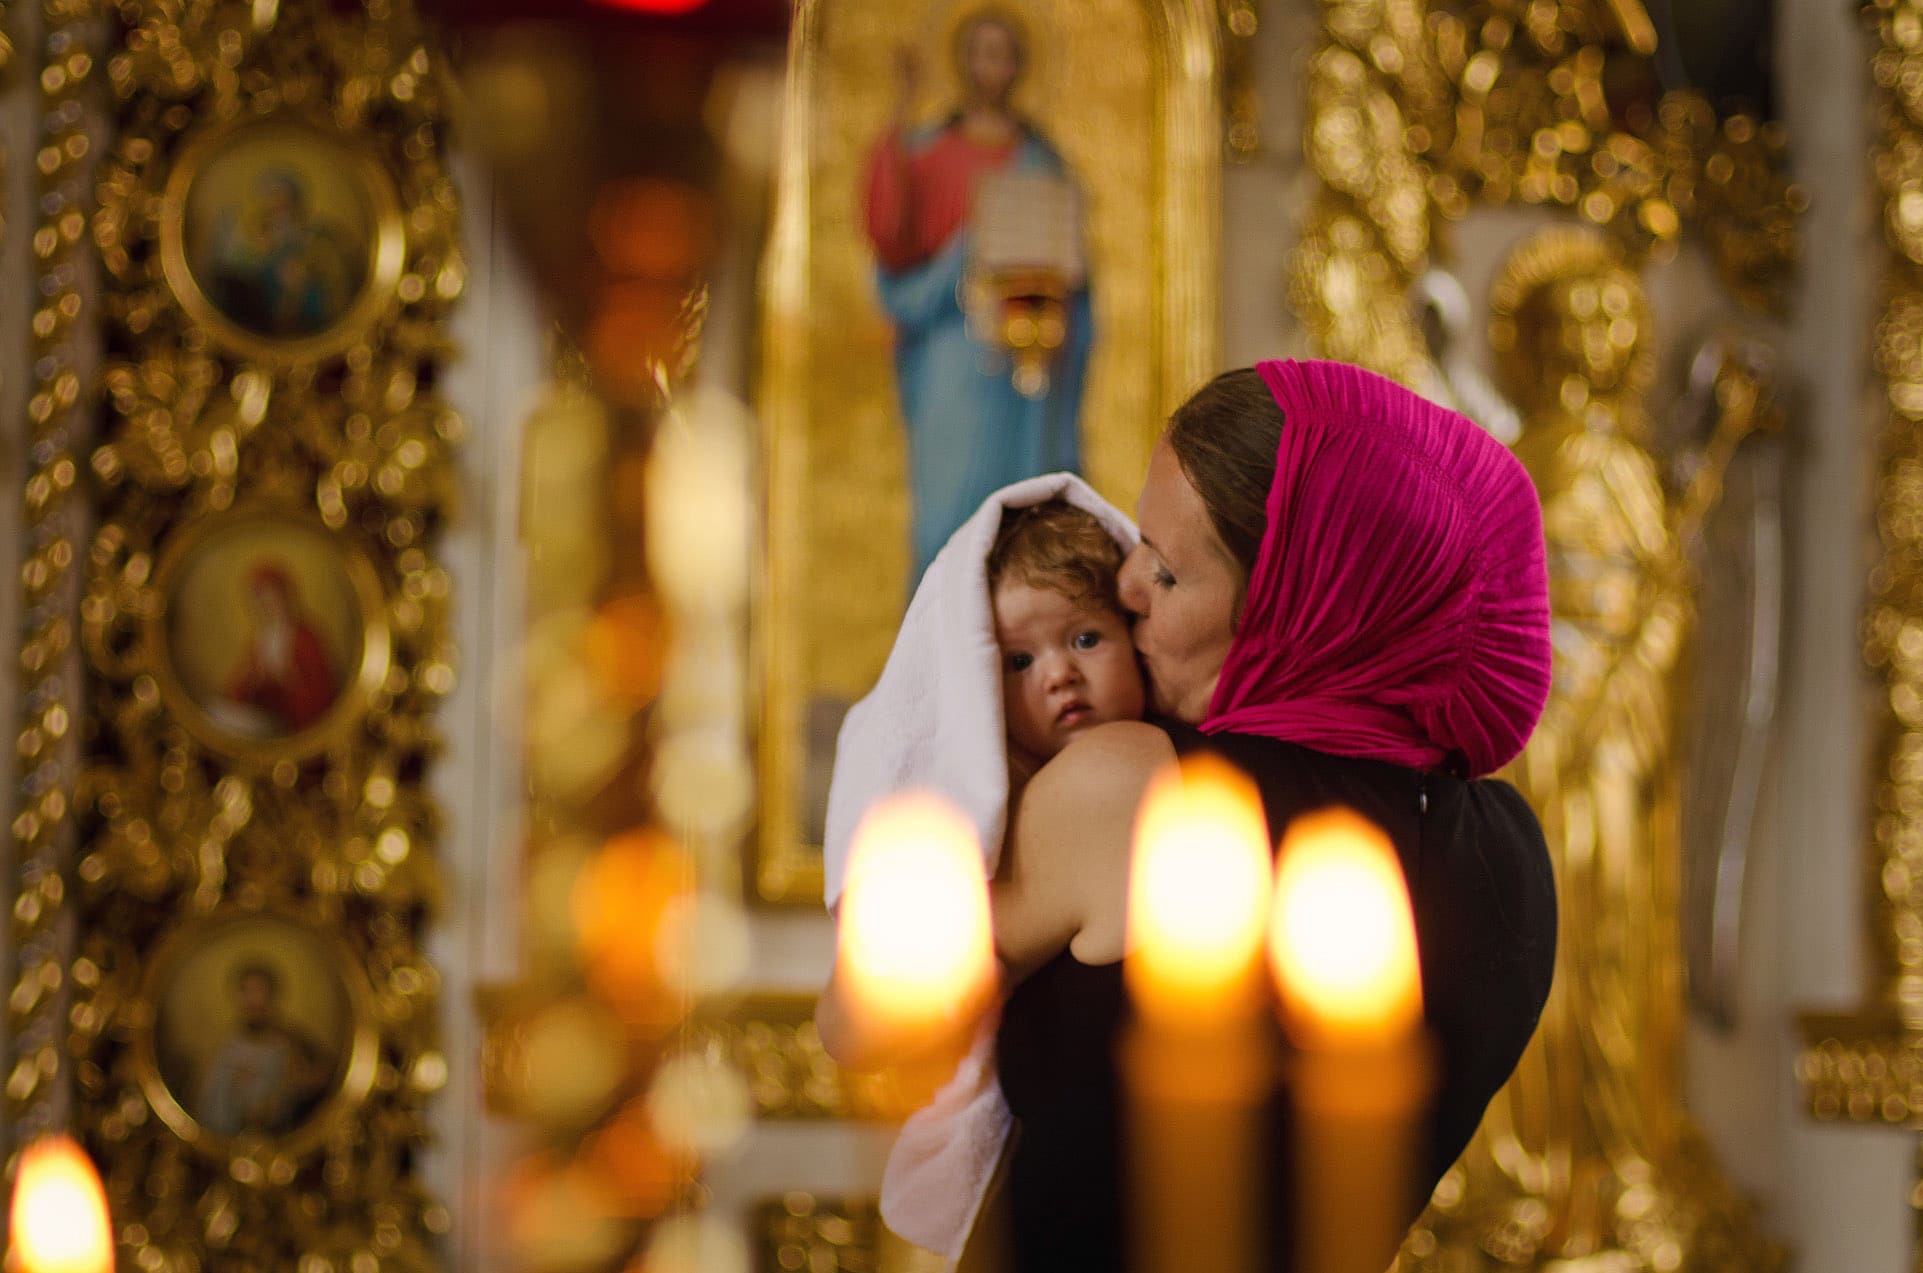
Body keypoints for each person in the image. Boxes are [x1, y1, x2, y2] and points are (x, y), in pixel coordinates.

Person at [822, 359, 1559, 1271]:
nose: (1123, 584)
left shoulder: (1132, 790)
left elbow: (865, 1022)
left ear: (1295, 611)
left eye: (1166, 574)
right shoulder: (1512, 860)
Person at [863, 8, 1095, 583]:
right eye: (981, 52)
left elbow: (1072, 263)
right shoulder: (929, 150)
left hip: (1026, 353)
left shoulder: (1042, 160)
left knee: (1018, 508)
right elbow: (890, 233)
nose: (992, 66)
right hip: (953, 348)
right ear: (962, 62)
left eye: (1004, 53)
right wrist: (900, 108)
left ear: (1020, 66)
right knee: (947, 506)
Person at [987, 499, 1146, 789]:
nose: (1060, 676)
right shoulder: (1007, 788)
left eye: (1086, 640)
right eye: (1020, 661)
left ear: (1134, 632)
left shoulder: (1178, 749)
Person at [196, 961, 330, 1138]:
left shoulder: (291, 1043)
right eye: (246, 991)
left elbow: (316, 1080)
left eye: (259, 991)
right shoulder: (223, 1047)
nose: (253, 999)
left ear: (272, 996)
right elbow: (210, 1106)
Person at [222, 561, 337, 736]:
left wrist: (287, 678)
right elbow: (244, 682)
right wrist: (251, 681)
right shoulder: (261, 638)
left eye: (270, 598)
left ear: (284, 596)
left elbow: (319, 687)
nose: (266, 605)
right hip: (266, 715)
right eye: (260, 600)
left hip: (297, 720)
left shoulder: (304, 636)